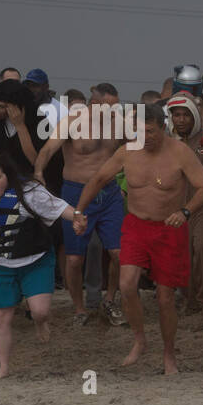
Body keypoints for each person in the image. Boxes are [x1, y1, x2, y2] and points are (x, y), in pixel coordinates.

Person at [75, 104, 203, 374]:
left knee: (165, 297)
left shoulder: (180, 152)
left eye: (150, 131)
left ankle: (169, 353)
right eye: (139, 131)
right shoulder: (127, 151)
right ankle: (140, 339)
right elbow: (98, 179)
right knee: (127, 285)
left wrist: (186, 212)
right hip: (137, 226)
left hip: (169, 229)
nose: (145, 136)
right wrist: (80, 211)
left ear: (163, 128)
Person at [0, 152, 79, 379]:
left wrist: (77, 216)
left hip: (34, 260)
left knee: (39, 311)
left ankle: (41, 324)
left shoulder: (29, 193)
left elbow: (57, 207)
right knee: (2, 319)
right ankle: (3, 367)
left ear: (8, 176)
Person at [34, 85, 126, 326]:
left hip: (109, 192)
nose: (114, 110)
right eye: (110, 106)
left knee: (119, 253)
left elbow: (137, 149)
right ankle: (79, 308)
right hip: (77, 192)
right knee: (75, 259)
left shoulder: (118, 123)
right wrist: (38, 171)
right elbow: (47, 150)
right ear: (94, 105)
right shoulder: (72, 122)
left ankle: (109, 300)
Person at [168, 92, 203, 312]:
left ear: (194, 116)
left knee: (202, 246)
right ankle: (190, 299)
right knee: (184, 251)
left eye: (185, 115)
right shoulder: (169, 142)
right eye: (176, 115)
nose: (181, 119)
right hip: (181, 204)